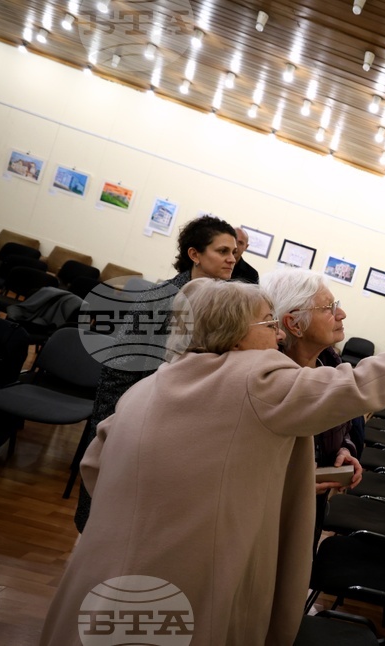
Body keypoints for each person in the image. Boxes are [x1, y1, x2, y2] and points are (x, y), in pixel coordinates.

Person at [40, 279, 385, 645]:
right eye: (270, 322)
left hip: (102, 568)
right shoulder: (257, 375)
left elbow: (95, 466)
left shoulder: (153, 382)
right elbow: (354, 386)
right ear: (235, 331)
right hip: (185, 577)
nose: (278, 334)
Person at [73, 215, 238, 533]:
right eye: (223, 251)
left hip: (180, 423)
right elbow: (119, 368)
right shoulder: (158, 300)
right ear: (195, 254)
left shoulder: (222, 302)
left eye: (234, 252)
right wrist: (112, 427)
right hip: (138, 415)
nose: (232, 259)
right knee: (108, 521)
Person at [260, 268, 364, 553]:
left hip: (313, 506)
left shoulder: (330, 362)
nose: (341, 314)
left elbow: (344, 425)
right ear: (294, 324)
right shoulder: (265, 380)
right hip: (269, 515)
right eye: (329, 308)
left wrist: (345, 451)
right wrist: (294, 484)